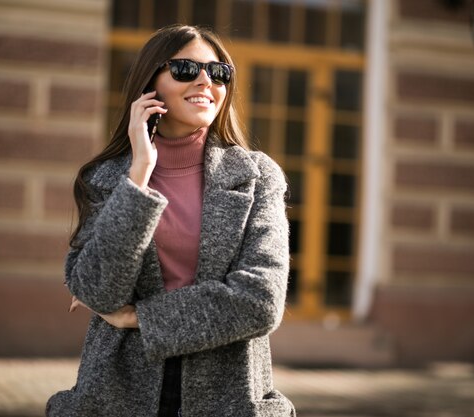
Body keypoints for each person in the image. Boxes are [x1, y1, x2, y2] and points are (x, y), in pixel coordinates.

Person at [45, 24, 295, 417]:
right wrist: (139, 175)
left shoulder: (258, 176)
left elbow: (261, 300)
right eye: (185, 69)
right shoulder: (109, 178)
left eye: (218, 73)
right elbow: (98, 291)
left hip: (229, 397)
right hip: (117, 394)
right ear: (150, 83)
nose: (205, 81)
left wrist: (140, 318)